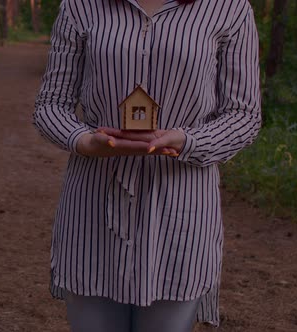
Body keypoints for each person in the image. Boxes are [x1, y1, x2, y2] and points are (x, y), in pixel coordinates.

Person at [33, 0, 261, 331]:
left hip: (182, 212)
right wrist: (85, 142)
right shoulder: (80, 6)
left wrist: (186, 141)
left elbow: (243, 115)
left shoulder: (229, 8)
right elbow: (50, 105)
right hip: (94, 209)